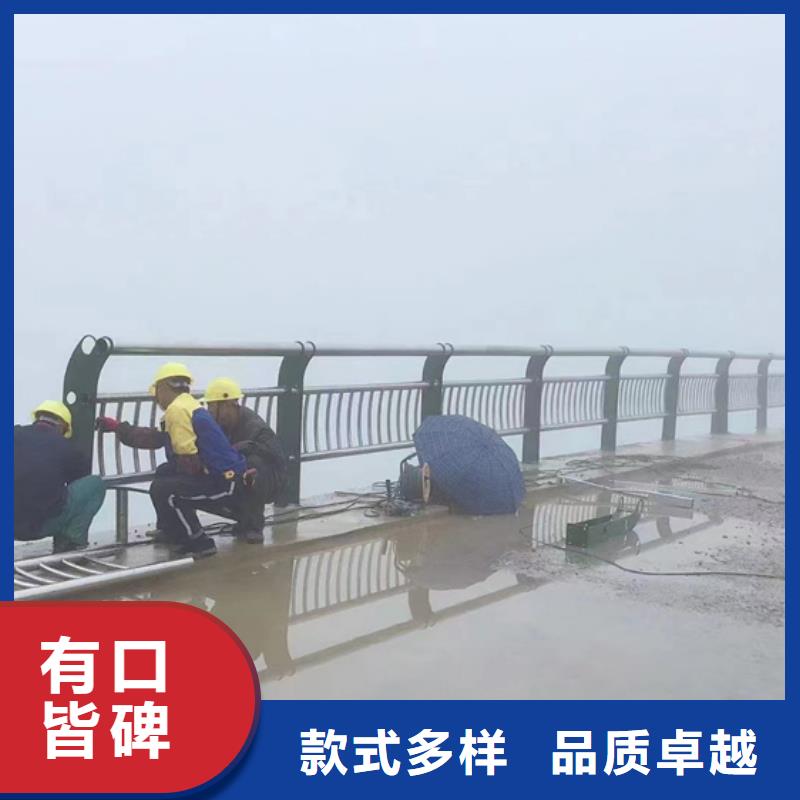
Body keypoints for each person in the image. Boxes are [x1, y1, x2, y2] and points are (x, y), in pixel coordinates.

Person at [95, 363, 247, 558]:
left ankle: (199, 542)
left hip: (226, 483)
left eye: (157, 391)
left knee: (165, 490)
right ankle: (173, 532)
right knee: (164, 473)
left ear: (164, 387)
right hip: (230, 477)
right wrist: (118, 427)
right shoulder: (188, 406)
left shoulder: (177, 410)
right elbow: (156, 438)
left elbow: (189, 460)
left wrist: (175, 480)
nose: (156, 398)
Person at [200, 377, 288, 543]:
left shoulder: (254, 427)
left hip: (269, 479)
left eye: (212, 406)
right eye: (208, 406)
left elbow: (275, 457)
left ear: (228, 405)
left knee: (251, 467)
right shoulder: (220, 424)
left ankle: (254, 526)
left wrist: (247, 447)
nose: (209, 411)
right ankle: (242, 517)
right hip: (238, 474)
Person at [14, 400, 106, 553]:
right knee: (95, 484)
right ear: (63, 426)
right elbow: (80, 481)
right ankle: (72, 542)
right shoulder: (67, 447)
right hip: (40, 526)